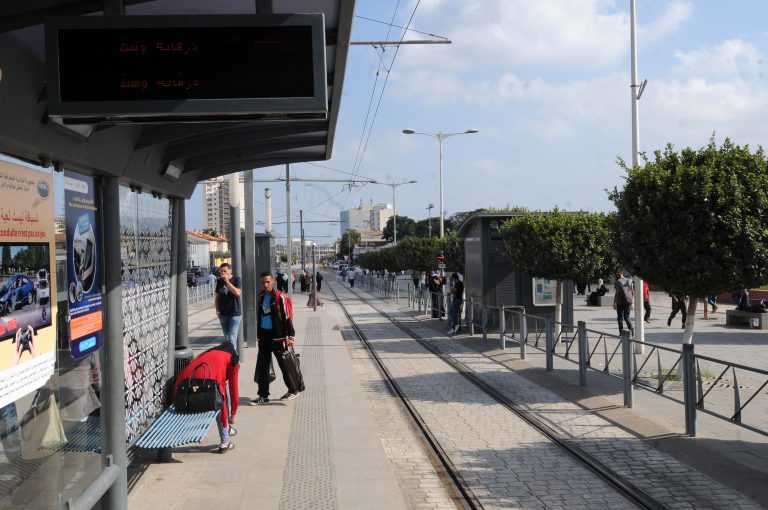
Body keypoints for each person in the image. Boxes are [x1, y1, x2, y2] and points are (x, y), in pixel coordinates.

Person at [173, 341, 239, 453]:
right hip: (205, 389)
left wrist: (174, 397)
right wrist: (233, 413)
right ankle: (225, 442)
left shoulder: (208, 353)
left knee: (223, 386)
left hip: (183, 389)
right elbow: (234, 391)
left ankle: (227, 429)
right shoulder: (233, 361)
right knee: (220, 397)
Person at [253, 272, 300, 404]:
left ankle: (293, 390)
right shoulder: (261, 297)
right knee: (263, 367)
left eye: (267, 282)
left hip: (278, 337)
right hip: (264, 337)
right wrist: (258, 336)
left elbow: (287, 317)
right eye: (263, 282)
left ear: (273, 281)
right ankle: (263, 395)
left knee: (284, 365)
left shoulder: (280, 297)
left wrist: (290, 336)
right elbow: (260, 317)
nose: (265, 284)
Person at [215, 263, 242, 350]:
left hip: (234, 313)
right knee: (227, 338)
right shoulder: (219, 281)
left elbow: (237, 293)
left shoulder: (237, 279)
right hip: (223, 314)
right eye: (221, 271)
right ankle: (230, 359)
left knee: (231, 338)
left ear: (230, 271)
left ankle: (234, 361)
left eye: (225, 271)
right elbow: (217, 297)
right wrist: (217, 310)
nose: (223, 273)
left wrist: (227, 281)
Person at [613, 270, 634, 336]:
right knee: (626, 316)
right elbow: (632, 291)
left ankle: (621, 332)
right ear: (622, 274)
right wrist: (631, 301)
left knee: (620, 317)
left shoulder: (617, 281)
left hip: (620, 301)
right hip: (628, 301)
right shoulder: (629, 280)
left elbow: (617, 293)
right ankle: (631, 328)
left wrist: (614, 303)